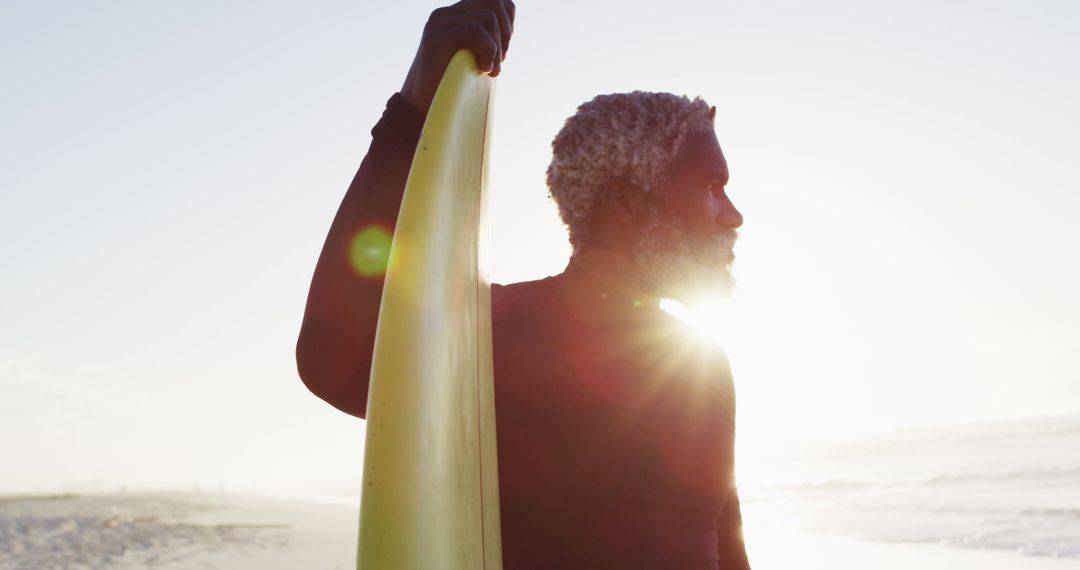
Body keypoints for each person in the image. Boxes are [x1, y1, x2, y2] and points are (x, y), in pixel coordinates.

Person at [296, 1, 752, 568]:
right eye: (711, 186)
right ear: (627, 204)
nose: (732, 214)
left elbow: (725, 545)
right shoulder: (497, 337)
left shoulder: (703, 363)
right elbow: (330, 355)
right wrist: (416, 103)